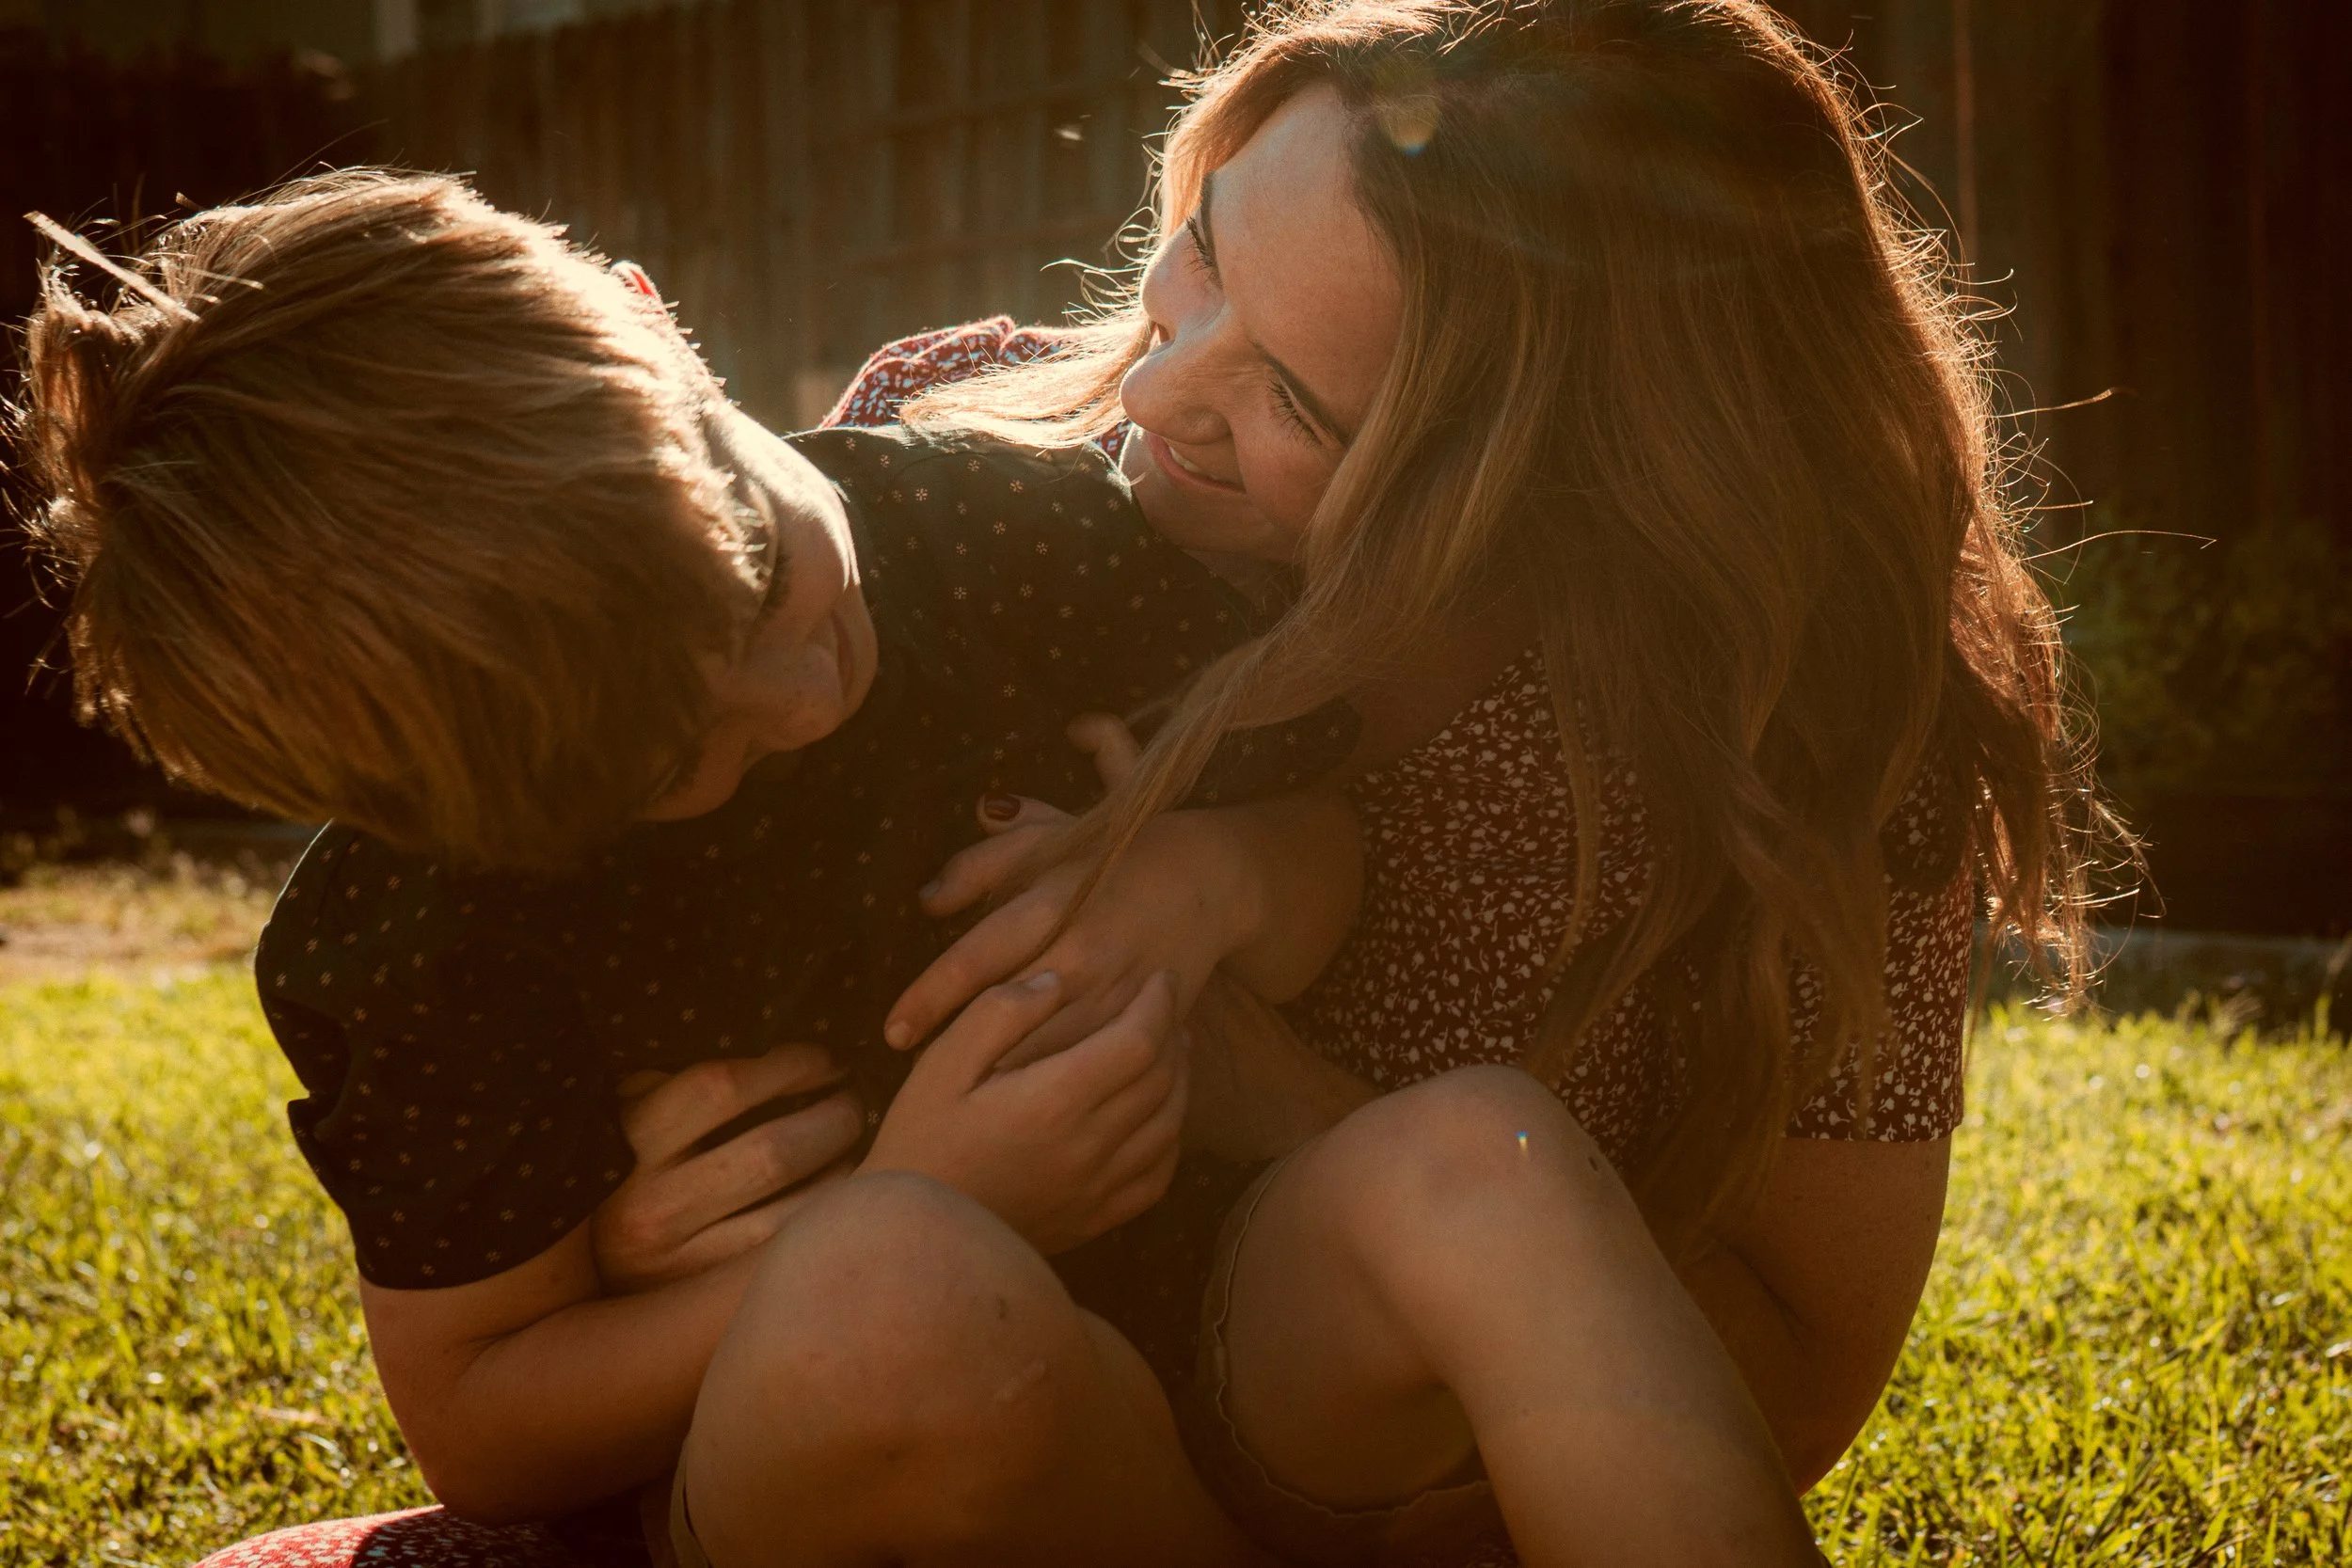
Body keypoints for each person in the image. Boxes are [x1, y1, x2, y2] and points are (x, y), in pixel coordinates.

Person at [190, 0, 2112, 1563]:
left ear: (1550, 480)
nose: (1148, 387)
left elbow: (1774, 1384)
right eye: (1193, 251)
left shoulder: (1803, 733)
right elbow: (524, 1341)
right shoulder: (969, 499)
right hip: (910, 1423)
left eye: (1292, 394)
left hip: (1313, 1405)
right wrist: (694, 1240)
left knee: (1476, 1153)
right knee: (884, 1283)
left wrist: (1231, 971)